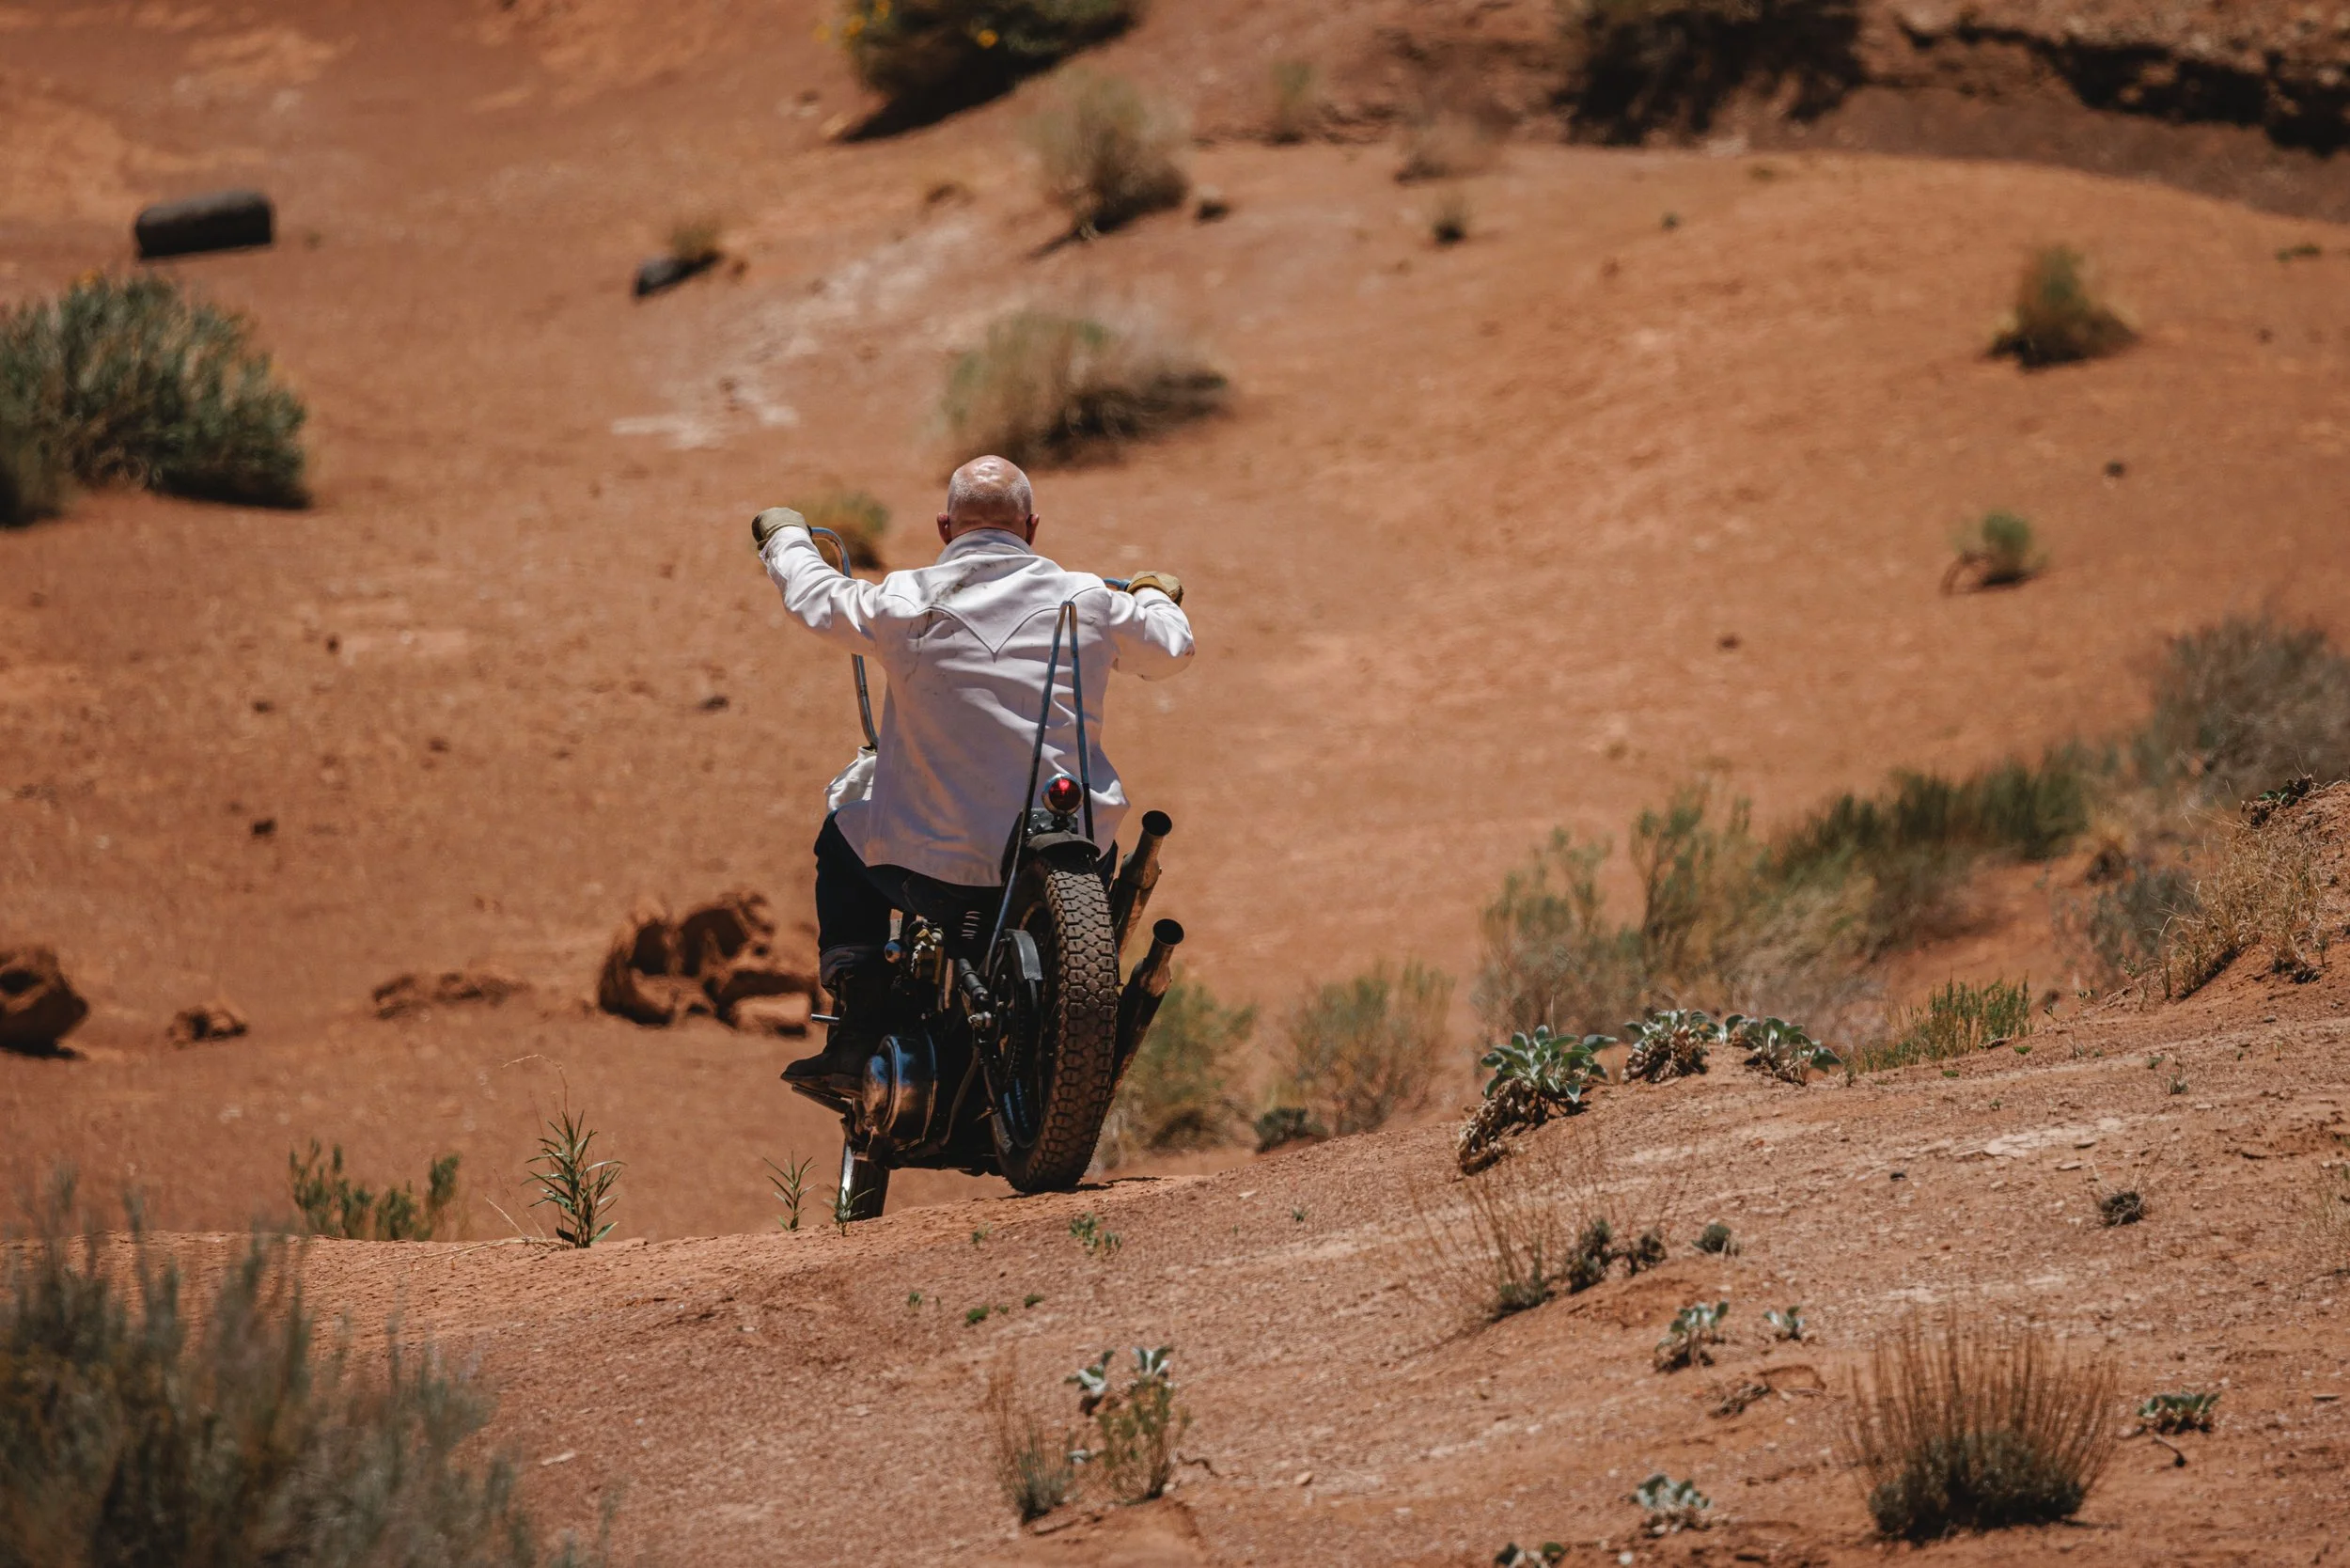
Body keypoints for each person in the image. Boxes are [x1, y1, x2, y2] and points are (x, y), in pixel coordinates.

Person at [751, 455, 1195, 1088]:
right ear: (1032, 528)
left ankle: (859, 1028)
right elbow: (1173, 649)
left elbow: (815, 595)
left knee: (841, 837)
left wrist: (785, 539)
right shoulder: (1088, 599)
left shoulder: (905, 599)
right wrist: (1152, 593)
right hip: (1073, 856)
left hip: (934, 874)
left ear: (945, 528)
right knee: (1105, 847)